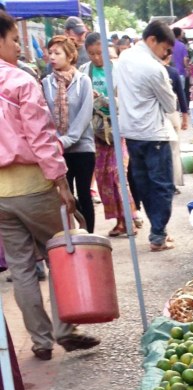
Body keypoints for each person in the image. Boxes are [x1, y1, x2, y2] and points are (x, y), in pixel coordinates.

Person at [0, 10, 100, 360]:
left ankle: (40, 342)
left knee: (22, 268)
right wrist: (61, 183)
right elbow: (41, 138)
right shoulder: (20, 81)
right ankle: (64, 329)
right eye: (14, 40)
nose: (18, 48)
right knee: (60, 252)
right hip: (33, 186)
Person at [114, 20, 178, 252]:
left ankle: (157, 231)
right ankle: (158, 234)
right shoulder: (154, 68)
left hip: (131, 133)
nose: (166, 54)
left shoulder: (123, 59)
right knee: (162, 185)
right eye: (165, 49)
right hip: (153, 135)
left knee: (144, 184)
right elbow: (170, 105)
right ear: (152, 40)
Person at [80, 32, 136, 237]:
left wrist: (104, 99)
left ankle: (129, 218)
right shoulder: (84, 71)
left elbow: (125, 100)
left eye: (99, 53)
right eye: (92, 54)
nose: (96, 58)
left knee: (118, 175)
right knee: (103, 177)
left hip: (117, 129)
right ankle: (119, 220)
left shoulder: (118, 70)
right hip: (96, 132)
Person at [42, 35, 96, 233]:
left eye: (57, 53)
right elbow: (45, 116)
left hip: (82, 148)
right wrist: (54, 143)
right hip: (57, 150)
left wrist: (64, 140)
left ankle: (89, 237)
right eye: (50, 53)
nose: (52, 57)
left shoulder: (83, 82)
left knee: (83, 194)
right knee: (64, 197)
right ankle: (71, 235)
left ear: (70, 56)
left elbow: (84, 117)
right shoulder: (46, 84)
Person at [164, 52, 190, 189]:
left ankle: (165, 182)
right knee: (174, 150)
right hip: (172, 115)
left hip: (158, 116)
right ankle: (174, 183)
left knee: (162, 151)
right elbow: (181, 96)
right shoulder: (173, 72)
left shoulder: (152, 72)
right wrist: (184, 118)